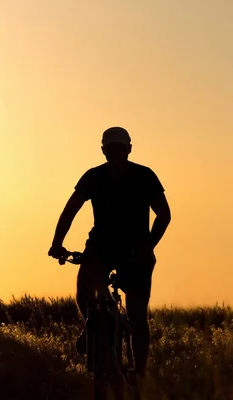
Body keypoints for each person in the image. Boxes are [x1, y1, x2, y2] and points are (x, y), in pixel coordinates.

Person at [48, 126, 171, 378]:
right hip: (104, 249)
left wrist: (146, 248)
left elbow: (164, 215)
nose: (115, 153)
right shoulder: (95, 177)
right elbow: (69, 212)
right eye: (112, 149)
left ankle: (139, 372)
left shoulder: (143, 176)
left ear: (127, 150)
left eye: (118, 149)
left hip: (131, 253)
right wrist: (57, 243)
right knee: (89, 294)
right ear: (106, 150)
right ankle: (93, 325)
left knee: (136, 315)